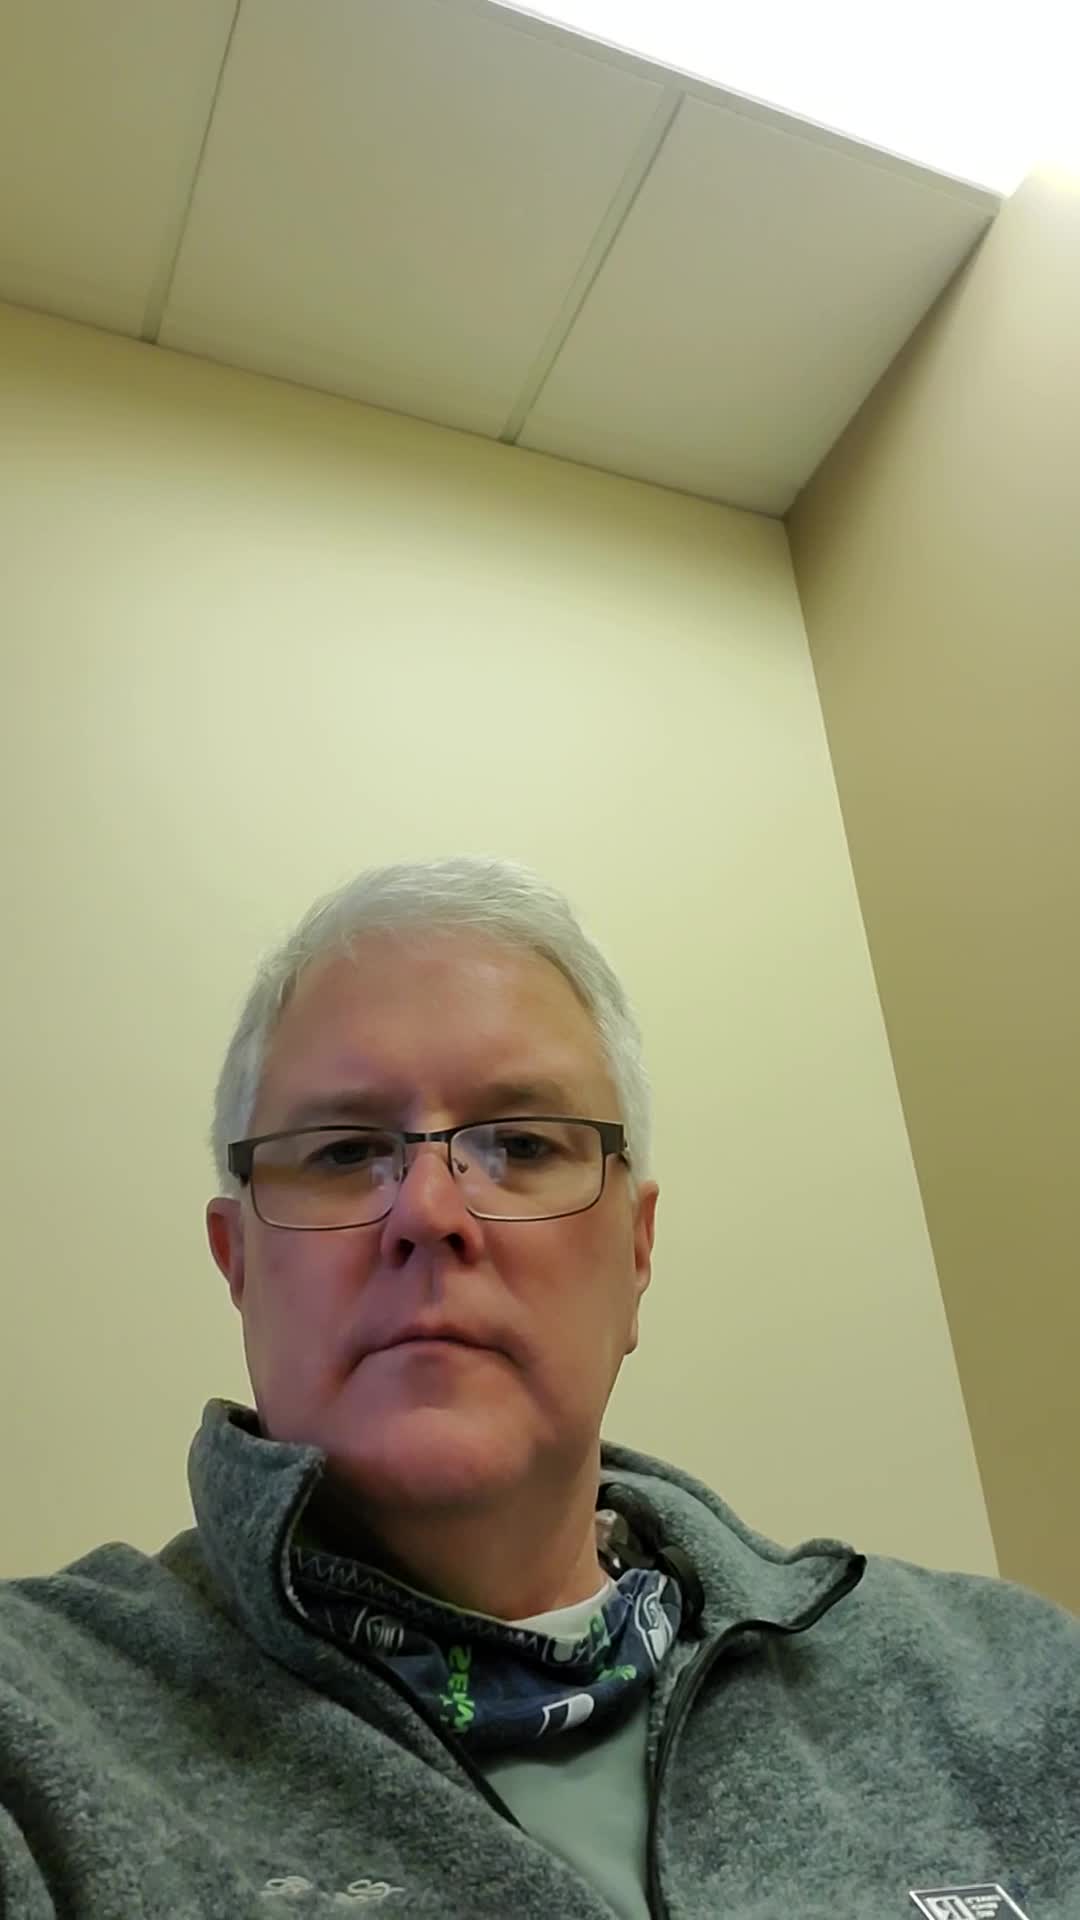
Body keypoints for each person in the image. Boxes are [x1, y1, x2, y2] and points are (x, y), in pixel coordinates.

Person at [0, 855, 1076, 1920]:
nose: (429, 1214)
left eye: (519, 1143)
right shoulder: (34, 1732)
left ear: (637, 1253)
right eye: (341, 1152)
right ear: (237, 1263)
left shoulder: (1017, 1689)